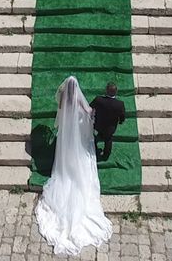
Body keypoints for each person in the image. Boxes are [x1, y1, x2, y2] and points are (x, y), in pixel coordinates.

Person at [34, 76, 113, 256]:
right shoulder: (77, 97)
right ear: (75, 87)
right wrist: (91, 113)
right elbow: (87, 110)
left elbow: (61, 110)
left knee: (64, 152)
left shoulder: (62, 97)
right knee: (81, 154)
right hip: (75, 136)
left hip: (65, 135)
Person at [90, 82, 125, 160]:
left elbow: (90, 107)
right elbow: (122, 116)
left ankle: (93, 148)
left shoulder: (98, 99)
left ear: (106, 90)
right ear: (116, 92)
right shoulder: (120, 104)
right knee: (108, 140)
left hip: (98, 125)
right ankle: (106, 155)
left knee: (96, 136)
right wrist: (121, 121)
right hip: (110, 128)